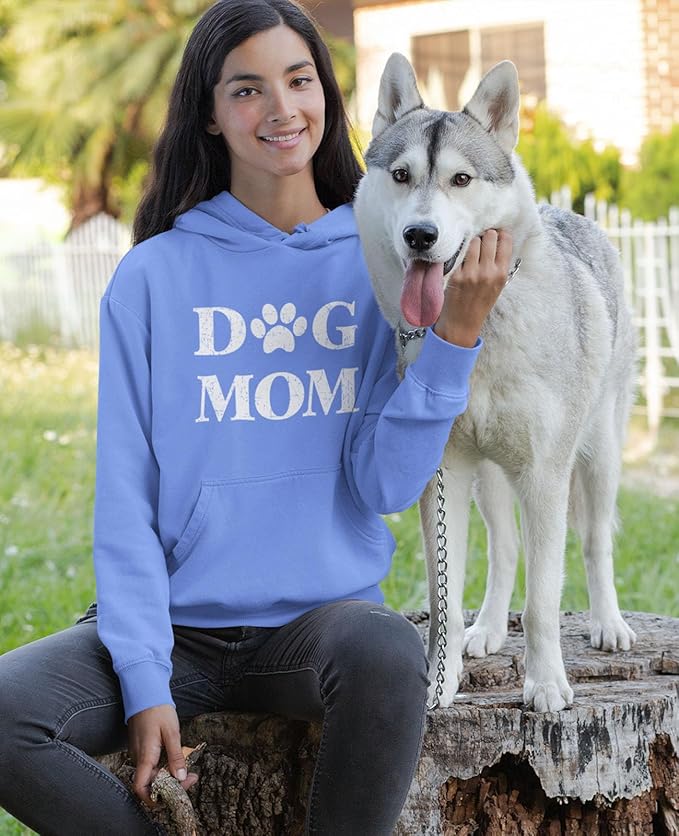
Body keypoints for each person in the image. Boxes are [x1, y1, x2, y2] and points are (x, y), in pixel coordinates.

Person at [0, 1, 512, 833]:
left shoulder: (381, 261)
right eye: (247, 89)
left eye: (299, 80)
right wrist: (144, 677)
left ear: (326, 97)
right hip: (177, 626)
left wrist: (453, 340)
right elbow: (126, 498)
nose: (281, 109)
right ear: (208, 113)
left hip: (319, 628)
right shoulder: (153, 276)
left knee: (387, 653)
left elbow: (385, 485)